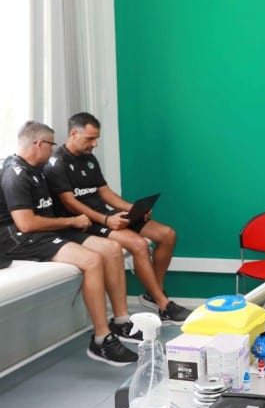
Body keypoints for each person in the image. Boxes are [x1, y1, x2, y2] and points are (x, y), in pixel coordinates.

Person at [0, 121, 140, 366]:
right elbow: (26, 224)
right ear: (38, 144)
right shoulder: (15, 174)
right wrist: (73, 221)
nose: (53, 149)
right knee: (92, 260)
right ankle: (101, 339)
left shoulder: (37, 168)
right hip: (18, 238)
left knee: (111, 249)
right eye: (51, 144)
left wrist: (73, 221)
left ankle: (121, 322)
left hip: (47, 228)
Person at [43, 112, 190, 324]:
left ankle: (154, 294)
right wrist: (105, 220)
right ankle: (163, 304)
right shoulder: (57, 163)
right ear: (73, 133)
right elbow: (70, 203)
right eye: (90, 138)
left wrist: (132, 209)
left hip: (104, 214)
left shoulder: (89, 159)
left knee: (167, 234)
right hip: (86, 222)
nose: (94, 144)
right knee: (139, 244)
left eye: (96, 139)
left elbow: (105, 192)